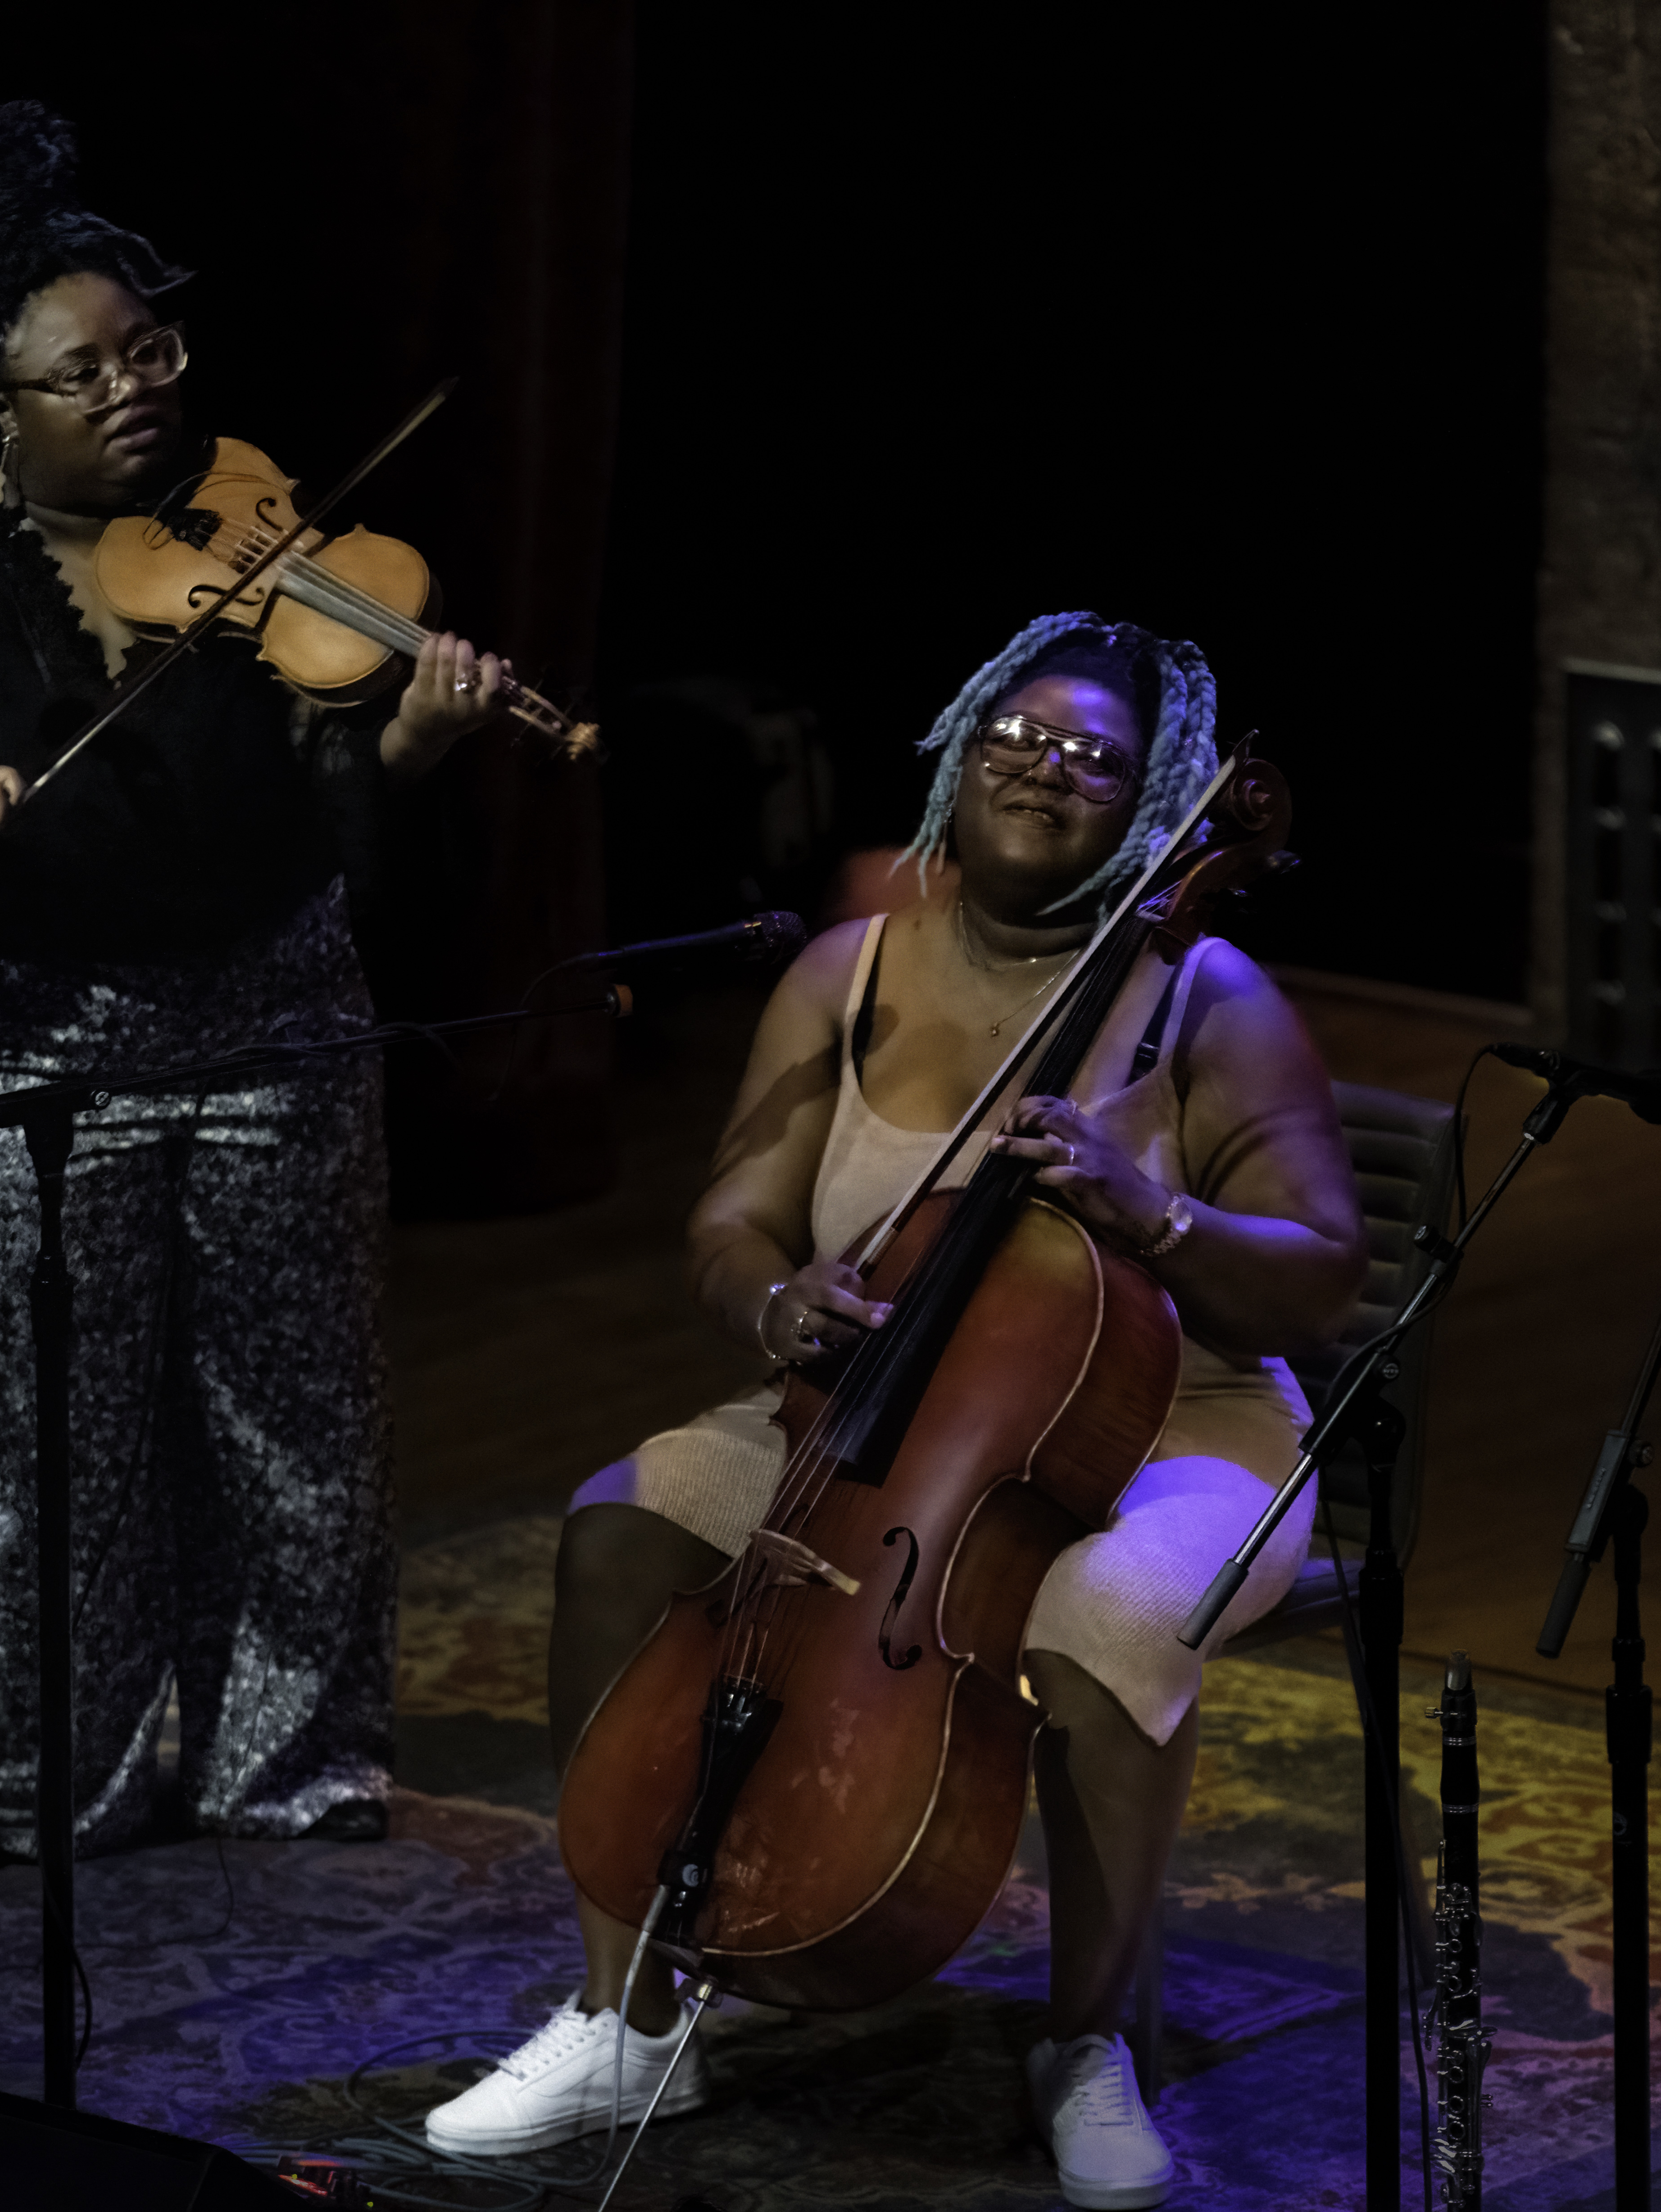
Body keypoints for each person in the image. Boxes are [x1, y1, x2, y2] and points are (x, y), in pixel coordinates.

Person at [422, 614, 1367, 2209]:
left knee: (1109, 1619)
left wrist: (1156, 1216)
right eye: (1018, 733)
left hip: (1182, 1433)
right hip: (882, 1425)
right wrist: (769, 1303)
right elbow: (732, 1220)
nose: (1043, 768)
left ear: (1151, 811)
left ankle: (1092, 2043)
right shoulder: (842, 968)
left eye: (1094, 759)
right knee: (622, 1525)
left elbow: (1322, 1273)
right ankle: (630, 2014)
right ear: (958, 744)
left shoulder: (1201, 993)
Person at [0, 103, 506, 1879]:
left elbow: (325, 804)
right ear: (0, 409)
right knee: (57, 1446)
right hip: (46, 1045)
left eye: (150, 349)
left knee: (297, 1414)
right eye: (82, 372)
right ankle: (47, 1778)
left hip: (277, 1021)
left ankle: (292, 1762)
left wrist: (401, 742)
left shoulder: (258, 537)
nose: (134, 390)